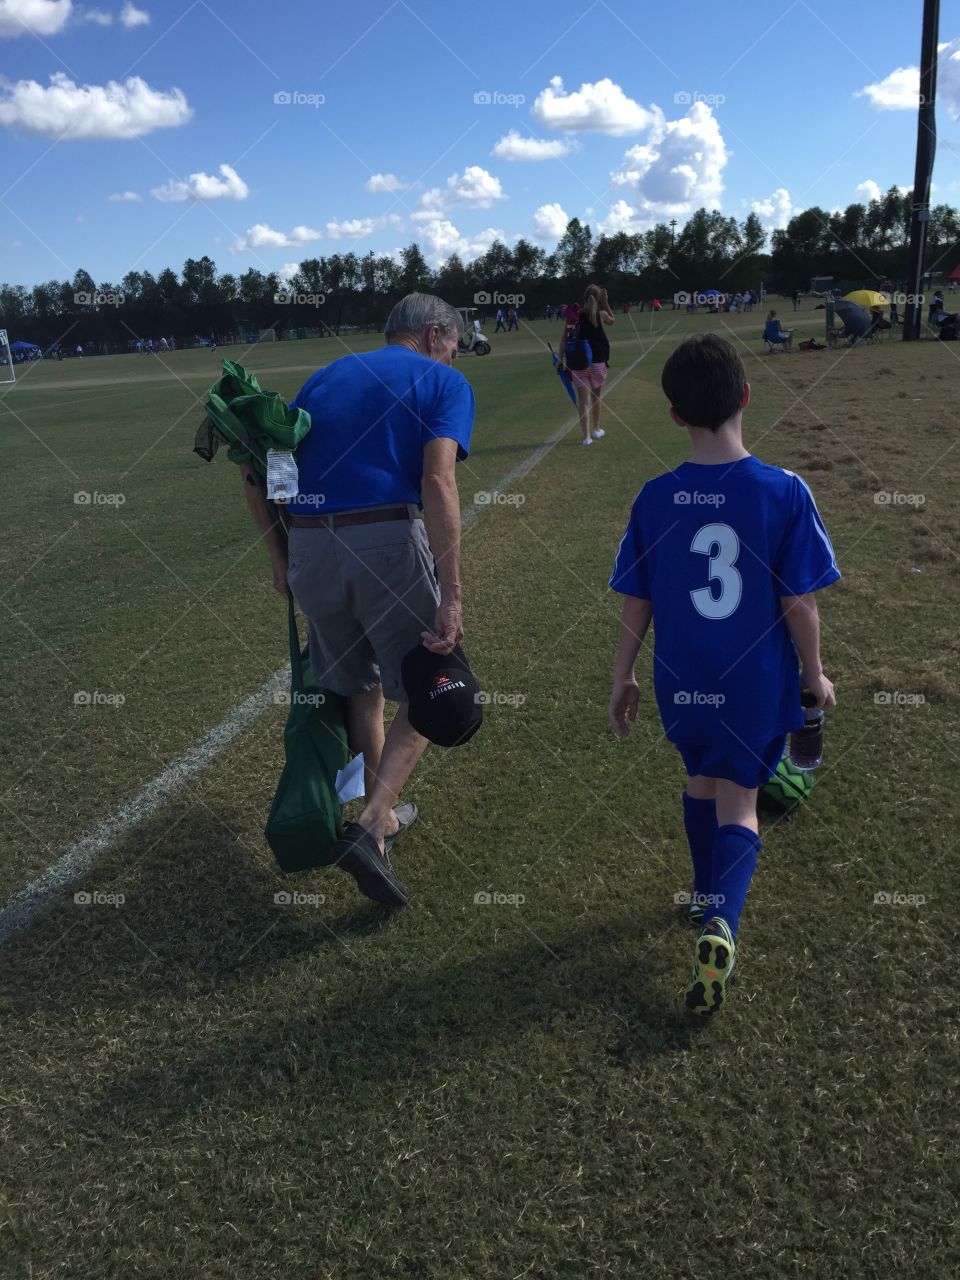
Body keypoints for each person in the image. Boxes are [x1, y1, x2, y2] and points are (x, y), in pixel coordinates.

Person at [608, 333, 839, 1015]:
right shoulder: (783, 491)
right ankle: (721, 924)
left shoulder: (654, 497)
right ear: (745, 396)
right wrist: (816, 676)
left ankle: (706, 893)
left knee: (699, 779)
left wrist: (621, 677)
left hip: (679, 679)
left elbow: (637, 598)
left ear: (675, 416)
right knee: (741, 798)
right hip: (752, 684)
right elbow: (799, 603)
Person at [239, 292, 475, 909]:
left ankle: (384, 818)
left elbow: (259, 468)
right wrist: (451, 594)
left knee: (363, 686)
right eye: (453, 344)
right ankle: (370, 825)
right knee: (434, 683)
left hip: (311, 547)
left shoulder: (324, 376)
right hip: (386, 539)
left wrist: (280, 560)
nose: (456, 356)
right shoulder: (442, 382)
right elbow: (438, 480)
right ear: (432, 335)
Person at [562, 283, 614, 447]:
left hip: (579, 363)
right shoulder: (602, 314)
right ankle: (596, 429)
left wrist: (561, 358)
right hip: (598, 362)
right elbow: (613, 321)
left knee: (583, 402)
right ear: (598, 298)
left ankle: (586, 438)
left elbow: (565, 337)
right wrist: (605, 302)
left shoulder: (575, 317)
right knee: (596, 398)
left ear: (584, 298)